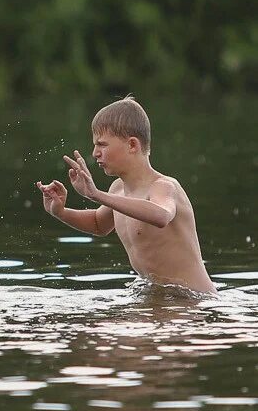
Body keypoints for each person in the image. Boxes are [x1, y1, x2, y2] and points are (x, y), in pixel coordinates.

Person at [36, 96, 216, 294]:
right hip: (158, 298)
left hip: (192, 301)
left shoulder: (163, 186)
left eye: (102, 145)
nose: (95, 153)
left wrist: (96, 195)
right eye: (95, 145)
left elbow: (161, 215)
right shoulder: (117, 189)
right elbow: (98, 224)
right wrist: (61, 212)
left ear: (132, 145)